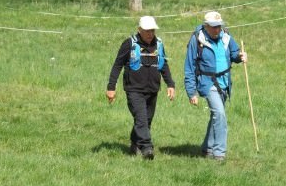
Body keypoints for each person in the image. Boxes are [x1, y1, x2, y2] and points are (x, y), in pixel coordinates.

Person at [106, 16, 175, 160]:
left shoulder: (159, 44)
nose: (150, 33)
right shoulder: (129, 44)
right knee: (142, 119)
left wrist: (170, 84)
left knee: (146, 120)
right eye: (147, 31)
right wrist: (111, 87)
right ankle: (147, 148)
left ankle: (135, 144)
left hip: (153, 89)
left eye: (152, 30)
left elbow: (164, 65)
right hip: (134, 90)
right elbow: (117, 65)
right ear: (139, 30)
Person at [184, 11, 247, 161]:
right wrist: (191, 91)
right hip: (208, 83)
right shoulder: (197, 39)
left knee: (215, 116)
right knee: (220, 114)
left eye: (219, 26)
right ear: (206, 26)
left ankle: (207, 148)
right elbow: (189, 67)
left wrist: (240, 56)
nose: (217, 29)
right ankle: (219, 153)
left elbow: (234, 53)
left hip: (225, 82)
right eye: (213, 27)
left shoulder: (226, 36)